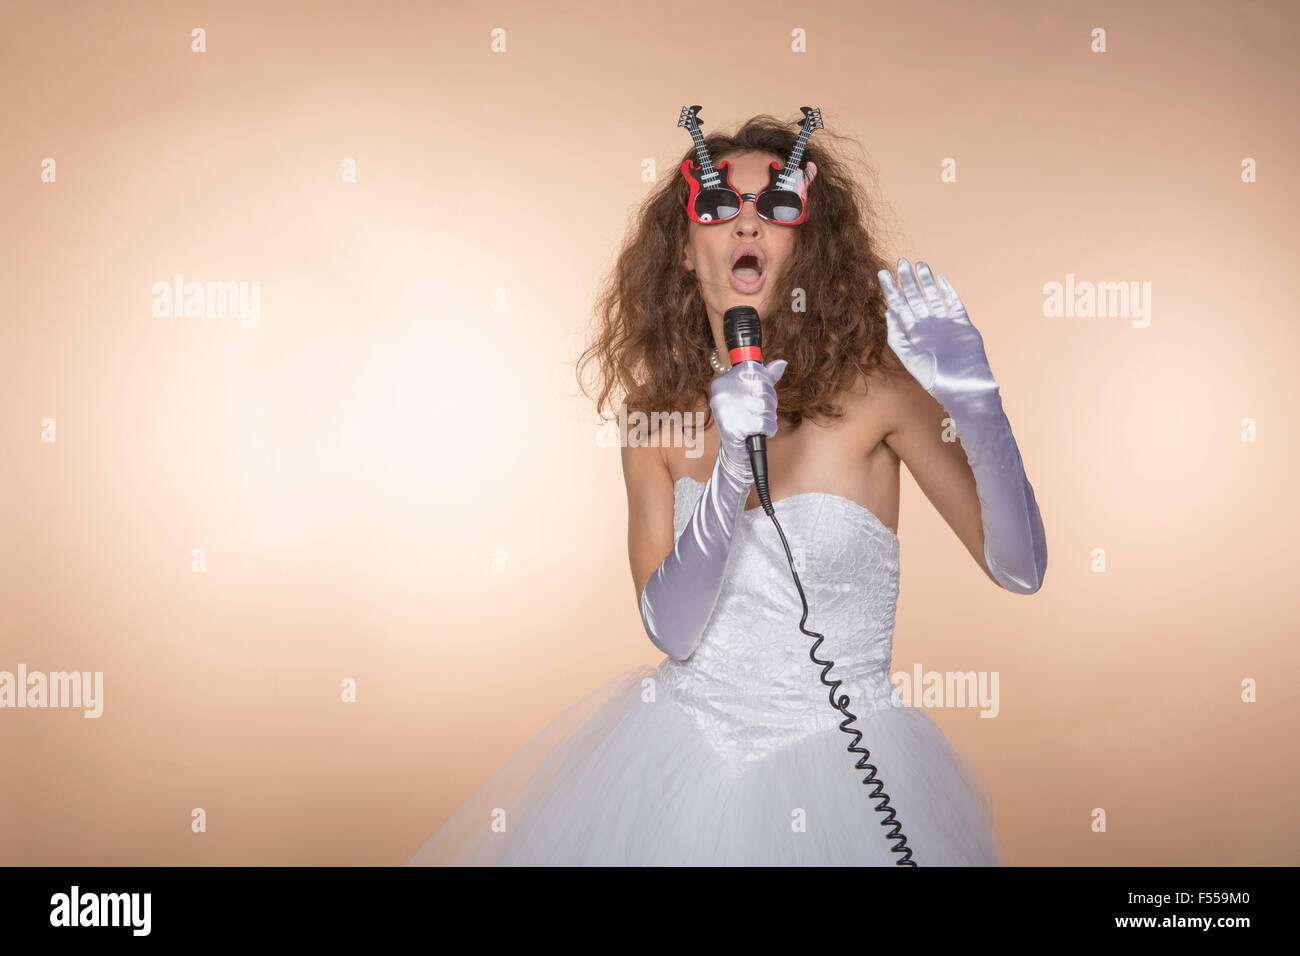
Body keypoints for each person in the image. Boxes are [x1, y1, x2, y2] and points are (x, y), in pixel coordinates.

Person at [406, 113, 1045, 866]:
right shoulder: (654, 424)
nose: (747, 223)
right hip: (679, 764)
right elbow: (673, 632)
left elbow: (1020, 569)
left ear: (805, 245)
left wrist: (978, 407)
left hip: (842, 770)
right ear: (683, 249)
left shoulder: (880, 395)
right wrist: (732, 471)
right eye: (718, 208)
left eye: (776, 208)